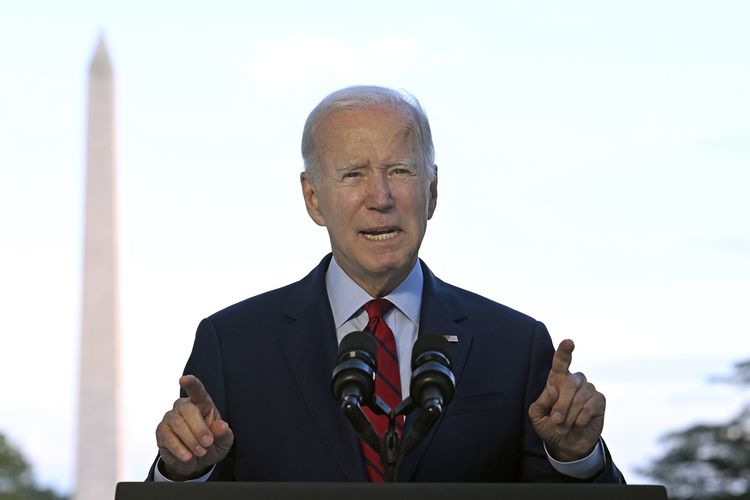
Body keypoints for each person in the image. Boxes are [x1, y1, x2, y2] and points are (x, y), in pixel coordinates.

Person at [149, 85, 624, 483]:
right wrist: (184, 473)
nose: (380, 198)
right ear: (313, 198)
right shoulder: (233, 346)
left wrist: (576, 458)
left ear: (432, 191)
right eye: (354, 174)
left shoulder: (515, 346)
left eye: (400, 171)